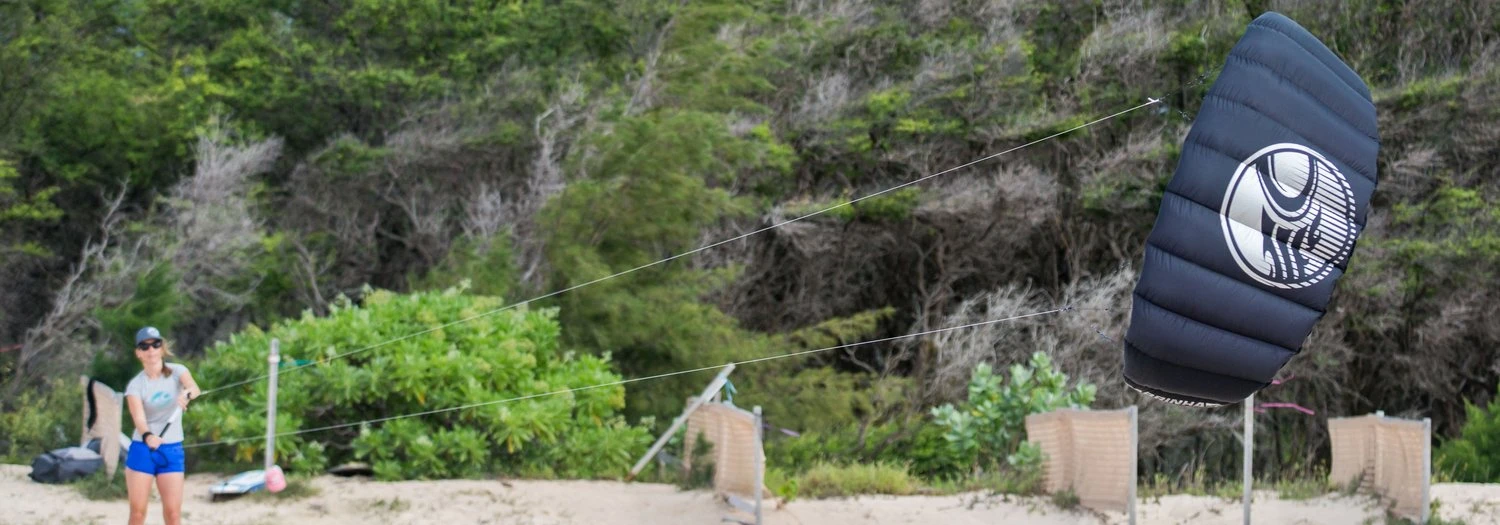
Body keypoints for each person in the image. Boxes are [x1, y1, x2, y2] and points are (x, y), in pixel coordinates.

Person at [123, 326, 200, 525]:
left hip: (172, 449)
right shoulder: (136, 385)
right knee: (138, 513)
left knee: (173, 513)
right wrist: (148, 436)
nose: (151, 350)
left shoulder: (178, 371)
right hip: (144, 449)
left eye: (156, 345)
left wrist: (186, 394)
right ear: (139, 353)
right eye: (145, 346)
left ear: (162, 348)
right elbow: (139, 419)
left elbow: (194, 388)